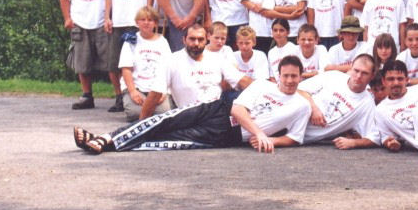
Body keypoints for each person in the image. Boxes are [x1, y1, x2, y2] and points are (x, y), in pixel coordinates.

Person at [73, 55, 311, 154]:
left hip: (228, 135)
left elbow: (295, 138)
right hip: (216, 110)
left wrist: (270, 141)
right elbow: (238, 109)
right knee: (163, 121)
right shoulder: (262, 85)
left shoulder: (301, 106)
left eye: (294, 76)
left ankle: (106, 145)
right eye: (286, 75)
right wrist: (259, 132)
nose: (290, 80)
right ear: (278, 75)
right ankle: (106, 138)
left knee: (168, 141)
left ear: (301, 77)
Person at [58, 0, 113, 110]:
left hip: (102, 19)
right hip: (80, 19)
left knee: (111, 61)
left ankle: (120, 96)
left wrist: (110, 16)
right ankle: (87, 95)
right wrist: (67, 18)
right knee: (82, 61)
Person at [300, 54, 382, 149]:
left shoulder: (367, 104)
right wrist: (314, 109)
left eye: (364, 73)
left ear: (372, 76)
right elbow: (298, 90)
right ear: (351, 68)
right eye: (356, 71)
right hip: (294, 115)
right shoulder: (334, 76)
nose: (359, 76)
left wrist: (353, 143)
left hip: (300, 137)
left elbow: (374, 138)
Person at [118, 6, 173, 122]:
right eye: (143, 20)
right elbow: (126, 69)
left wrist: (164, 91)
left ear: (156, 23)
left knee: (164, 113)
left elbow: (169, 69)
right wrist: (133, 91)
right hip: (137, 87)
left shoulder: (163, 42)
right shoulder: (131, 41)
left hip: (156, 89)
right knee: (135, 113)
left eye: (150, 20)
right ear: (137, 22)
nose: (146, 23)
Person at [374, 61, 418, 151]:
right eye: (391, 79)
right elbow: (385, 137)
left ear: (407, 79)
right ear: (383, 81)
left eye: (400, 79)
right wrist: (390, 143)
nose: (396, 83)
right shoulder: (380, 110)